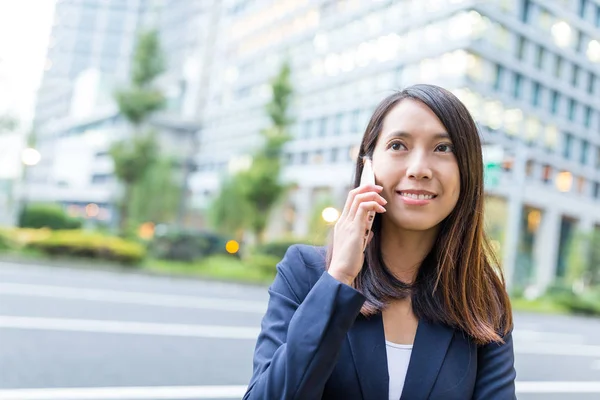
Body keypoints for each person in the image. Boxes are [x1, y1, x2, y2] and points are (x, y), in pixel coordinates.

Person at [243, 84, 516, 400]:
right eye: (399, 145)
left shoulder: (482, 301)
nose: (419, 169)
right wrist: (339, 279)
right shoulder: (305, 272)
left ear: (468, 171)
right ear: (368, 166)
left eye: (443, 148)